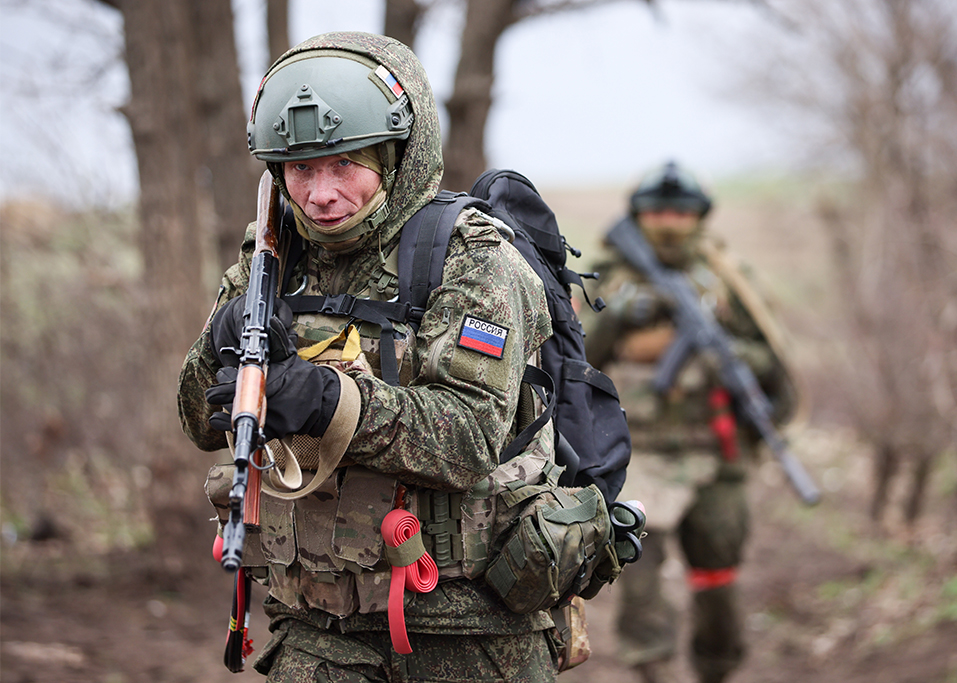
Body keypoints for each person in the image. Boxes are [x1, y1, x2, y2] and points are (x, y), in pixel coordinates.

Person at [177, 32, 560, 681]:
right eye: (301, 169)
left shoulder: (472, 260)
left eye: (344, 165)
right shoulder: (270, 260)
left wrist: (325, 399)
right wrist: (221, 339)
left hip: (466, 631)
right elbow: (199, 420)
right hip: (314, 633)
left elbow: (467, 437)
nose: (321, 194)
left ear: (396, 159)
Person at [582, 161, 801, 683]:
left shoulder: (728, 279)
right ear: (637, 215)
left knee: (718, 575)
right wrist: (617, 314)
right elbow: (575, 358)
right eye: (657, 211)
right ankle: (652, 669)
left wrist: (728, 351)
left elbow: (775, 361)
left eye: (681, 212)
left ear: (699, 216)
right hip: (634, 457)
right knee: (636, 575)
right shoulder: (606, 278)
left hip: (714, 454)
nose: (669, 223)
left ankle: (717, 668)